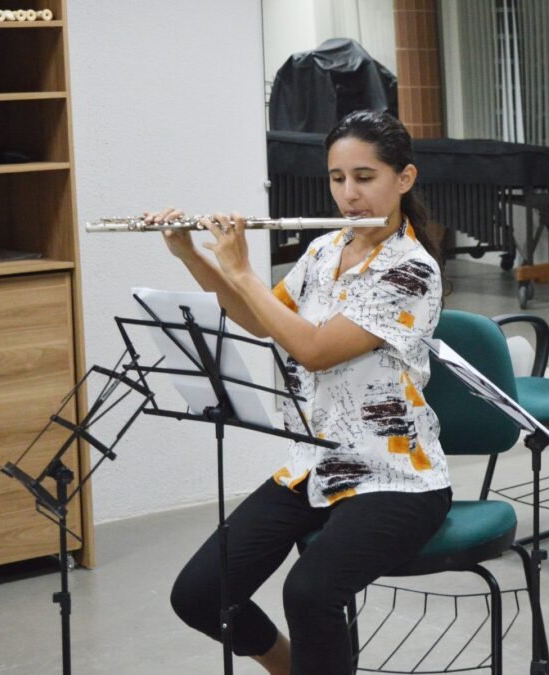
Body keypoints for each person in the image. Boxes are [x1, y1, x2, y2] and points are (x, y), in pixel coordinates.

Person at [149, 110, 452, 675]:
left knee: (309, 592)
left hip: (395, 476)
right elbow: (262, 321)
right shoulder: (322, 252)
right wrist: (193, 255)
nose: (349, 194)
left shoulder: (411, 271)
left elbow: (312, 349)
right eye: (338, 179)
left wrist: (240, 270)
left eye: (365, 178)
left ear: (403, 179)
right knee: (198, 593)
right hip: (314, 461)